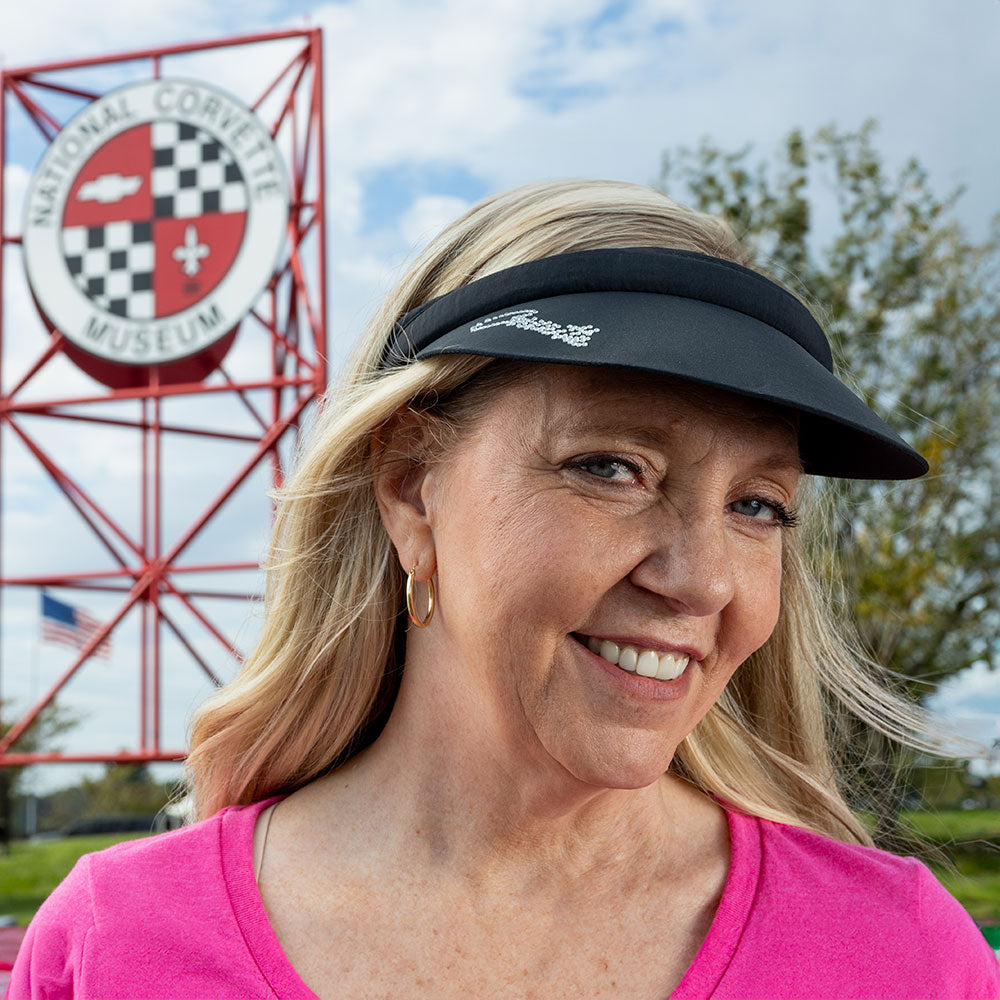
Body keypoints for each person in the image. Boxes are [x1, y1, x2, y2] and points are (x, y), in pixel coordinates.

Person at [9, 180, 1000, 999]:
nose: (700, 580)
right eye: (612, 466)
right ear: (408, 487)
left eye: (757, 505)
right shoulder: (112, 949)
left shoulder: (902, 956)